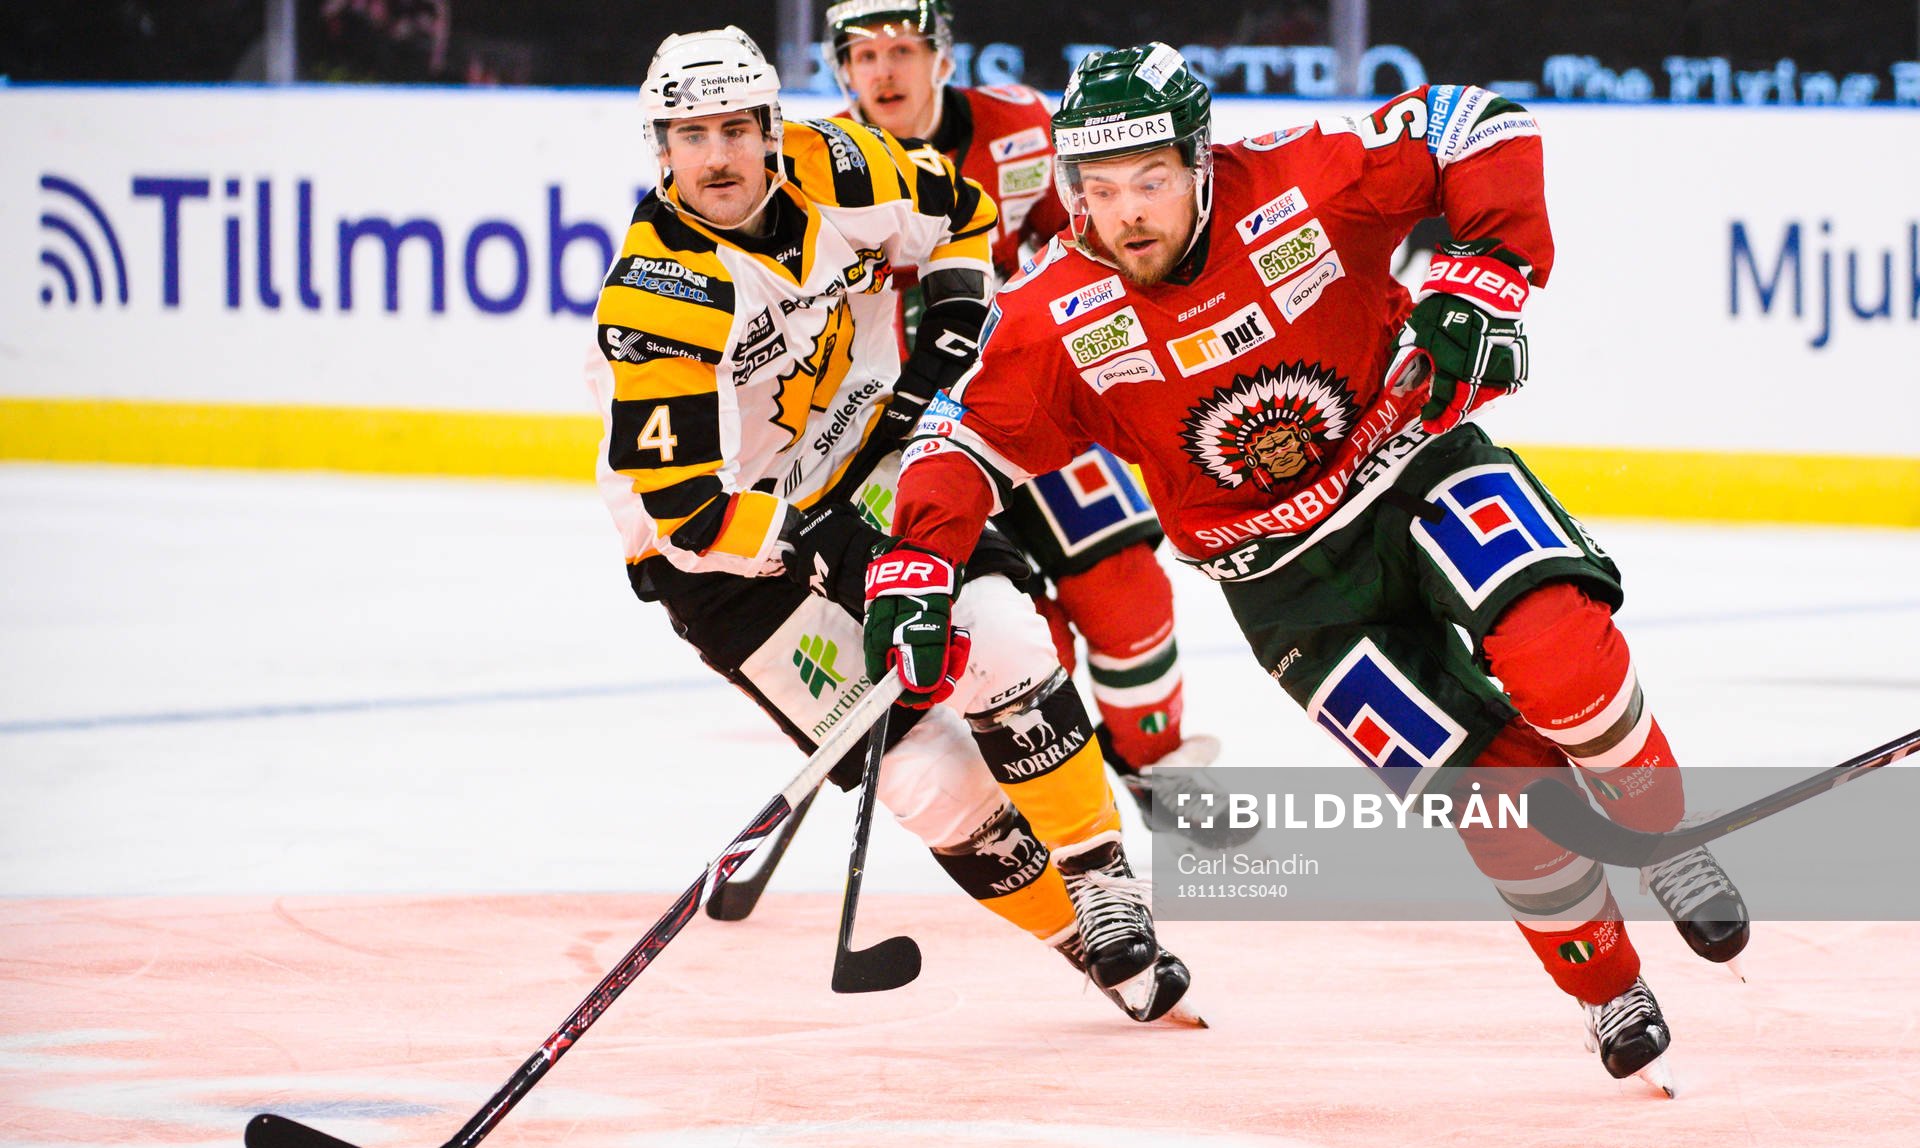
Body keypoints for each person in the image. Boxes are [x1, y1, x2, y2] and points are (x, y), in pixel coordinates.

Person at [867, 43, 1752, 1089]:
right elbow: (963, 442)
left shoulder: (1302, 179)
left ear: (1201, 161)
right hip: (1288, 589)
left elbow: (1477, 121)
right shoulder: (1059, 310)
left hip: (1417, 465)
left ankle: (1661, 828)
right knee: (1496, 797)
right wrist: (916, 566)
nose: (1128, 214)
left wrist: (1489, 278)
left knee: (1558, 650)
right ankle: (1608, 984)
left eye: (1151, 180)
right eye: (1098, 190)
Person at [594, 26, 1197, 1022]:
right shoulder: (660, 302)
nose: (716, 156)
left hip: (866, 457)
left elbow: (960, 211)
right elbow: (687, 510)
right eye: (690, 134)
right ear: (661, 147)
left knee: (1001, 636)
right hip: (719, 553)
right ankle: (1083, 944)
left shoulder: (839, 163)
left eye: (736, 128)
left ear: (770, 128)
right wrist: (830, 553)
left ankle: (1104, 883)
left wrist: (956, 311)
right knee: (928, 780)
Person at [822, 0, 1244, 841]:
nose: (884, 71)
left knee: (1124, 582)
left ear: (942, 57)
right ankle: (1057, 795)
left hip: (1037, 396)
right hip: (907, 435)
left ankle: (1154, 764)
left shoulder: (1021, 126)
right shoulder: (824, 166)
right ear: (841, 70)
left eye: (903, 48)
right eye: (863, 55)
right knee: (1010, 625)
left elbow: (1089, 245)